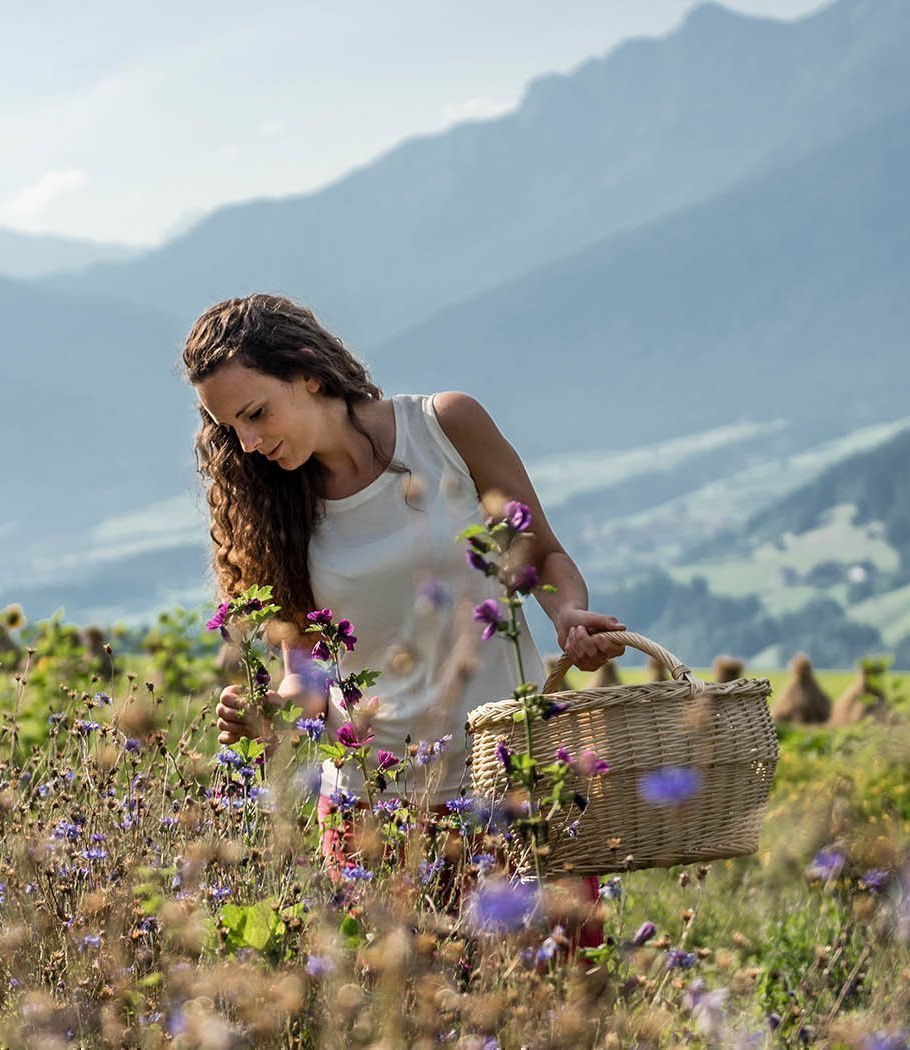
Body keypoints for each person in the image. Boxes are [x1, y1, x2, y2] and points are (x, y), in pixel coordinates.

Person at [183, 294, 624, 946]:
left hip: (516, 791)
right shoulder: (274, 509)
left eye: (255, 414)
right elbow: (303, 675)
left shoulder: (446, 427)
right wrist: (266, 713)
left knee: (565, 1009)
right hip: (378, 814)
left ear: (308, 371)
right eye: (232, 429)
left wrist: (568, 615)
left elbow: (543, 555)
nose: (248, 443)